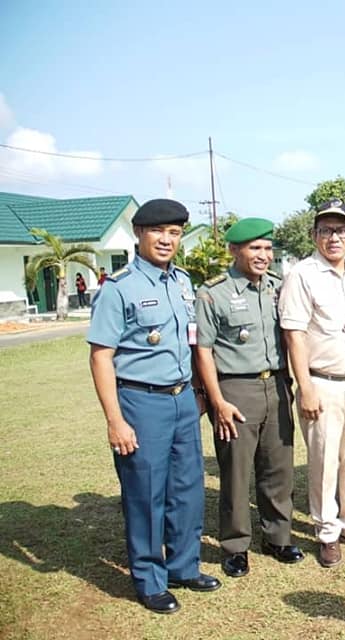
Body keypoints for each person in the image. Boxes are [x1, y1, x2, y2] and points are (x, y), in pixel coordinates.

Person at [87, 199, 220, 614]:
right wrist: (115, 420)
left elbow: (190, 341)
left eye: (175, 233)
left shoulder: (180, 281)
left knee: (187, 489)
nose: (166, 240)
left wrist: (199, 391)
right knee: (145, 495)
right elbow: (100, 356)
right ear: (140, 235)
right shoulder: (120, 287)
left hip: (182, 401)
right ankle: (149, 579)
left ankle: (183, 565)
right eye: (158, 231)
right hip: (141, 402)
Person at [279, 199, 345, 569]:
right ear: (314, 235)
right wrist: (304, 385)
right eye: (325, 230)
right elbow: (294, 334)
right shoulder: (302, 275)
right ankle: (327, 531)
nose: (333, 237)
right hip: (322, 383)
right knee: (324, 462)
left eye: (341, 230)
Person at [194, 217, 303, 580]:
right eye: (255, 248)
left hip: (277, 385)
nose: (263, 255)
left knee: (279, 468)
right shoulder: (213, 293)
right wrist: (216, 401)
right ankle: (236, 546)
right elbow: (204, 352)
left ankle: (278, 537)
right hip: (235, 389)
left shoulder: (278, 287)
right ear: (234, 250)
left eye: (268, 248)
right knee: (237, 473)